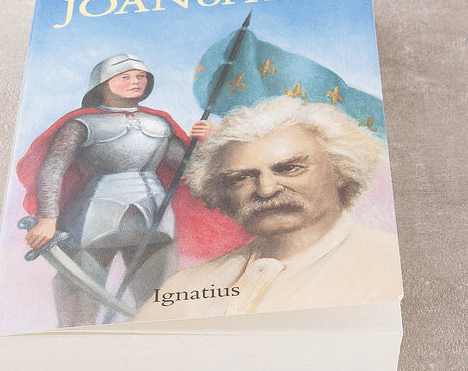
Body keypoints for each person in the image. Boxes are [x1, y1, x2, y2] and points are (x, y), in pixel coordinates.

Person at [133, 96, 403, 321]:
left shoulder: (393, 266)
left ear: (340, 171)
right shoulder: (187, 284)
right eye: (242, 177)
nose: (266, 189)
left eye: (289, 168)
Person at [17, 54, 212, 325]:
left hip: (155, 218)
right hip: (91, 218)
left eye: (141, 76)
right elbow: (53, 169)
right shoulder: (81, 124)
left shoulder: (159, 124)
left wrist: (204, 144)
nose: (136, 81)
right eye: (125, 77)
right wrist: (48, 218)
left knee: (159, 307)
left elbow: (187, 170)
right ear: (102, 83)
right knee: (79, 312)